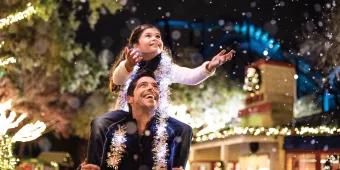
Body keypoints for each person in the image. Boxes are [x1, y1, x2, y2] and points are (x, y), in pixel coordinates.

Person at [85, 24, 235, 166]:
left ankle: (178, 167)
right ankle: (92, 164)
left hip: (155, 118)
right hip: (127, 116)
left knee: (185, 130)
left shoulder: (166, 67)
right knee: (99, 123)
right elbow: (118, 78)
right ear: (136, 45)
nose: (155, 38)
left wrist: (209, 66)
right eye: (148, 36)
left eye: (158, 36)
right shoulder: (129, 64)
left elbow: (191, 77)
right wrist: (129, 65)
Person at [82, 71, 192, 170]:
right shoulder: (112, 132)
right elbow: (98, 123)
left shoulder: (169, 135)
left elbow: (186, 129)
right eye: (143, 85)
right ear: (130, 98)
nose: (151, 88)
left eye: (155, 86)